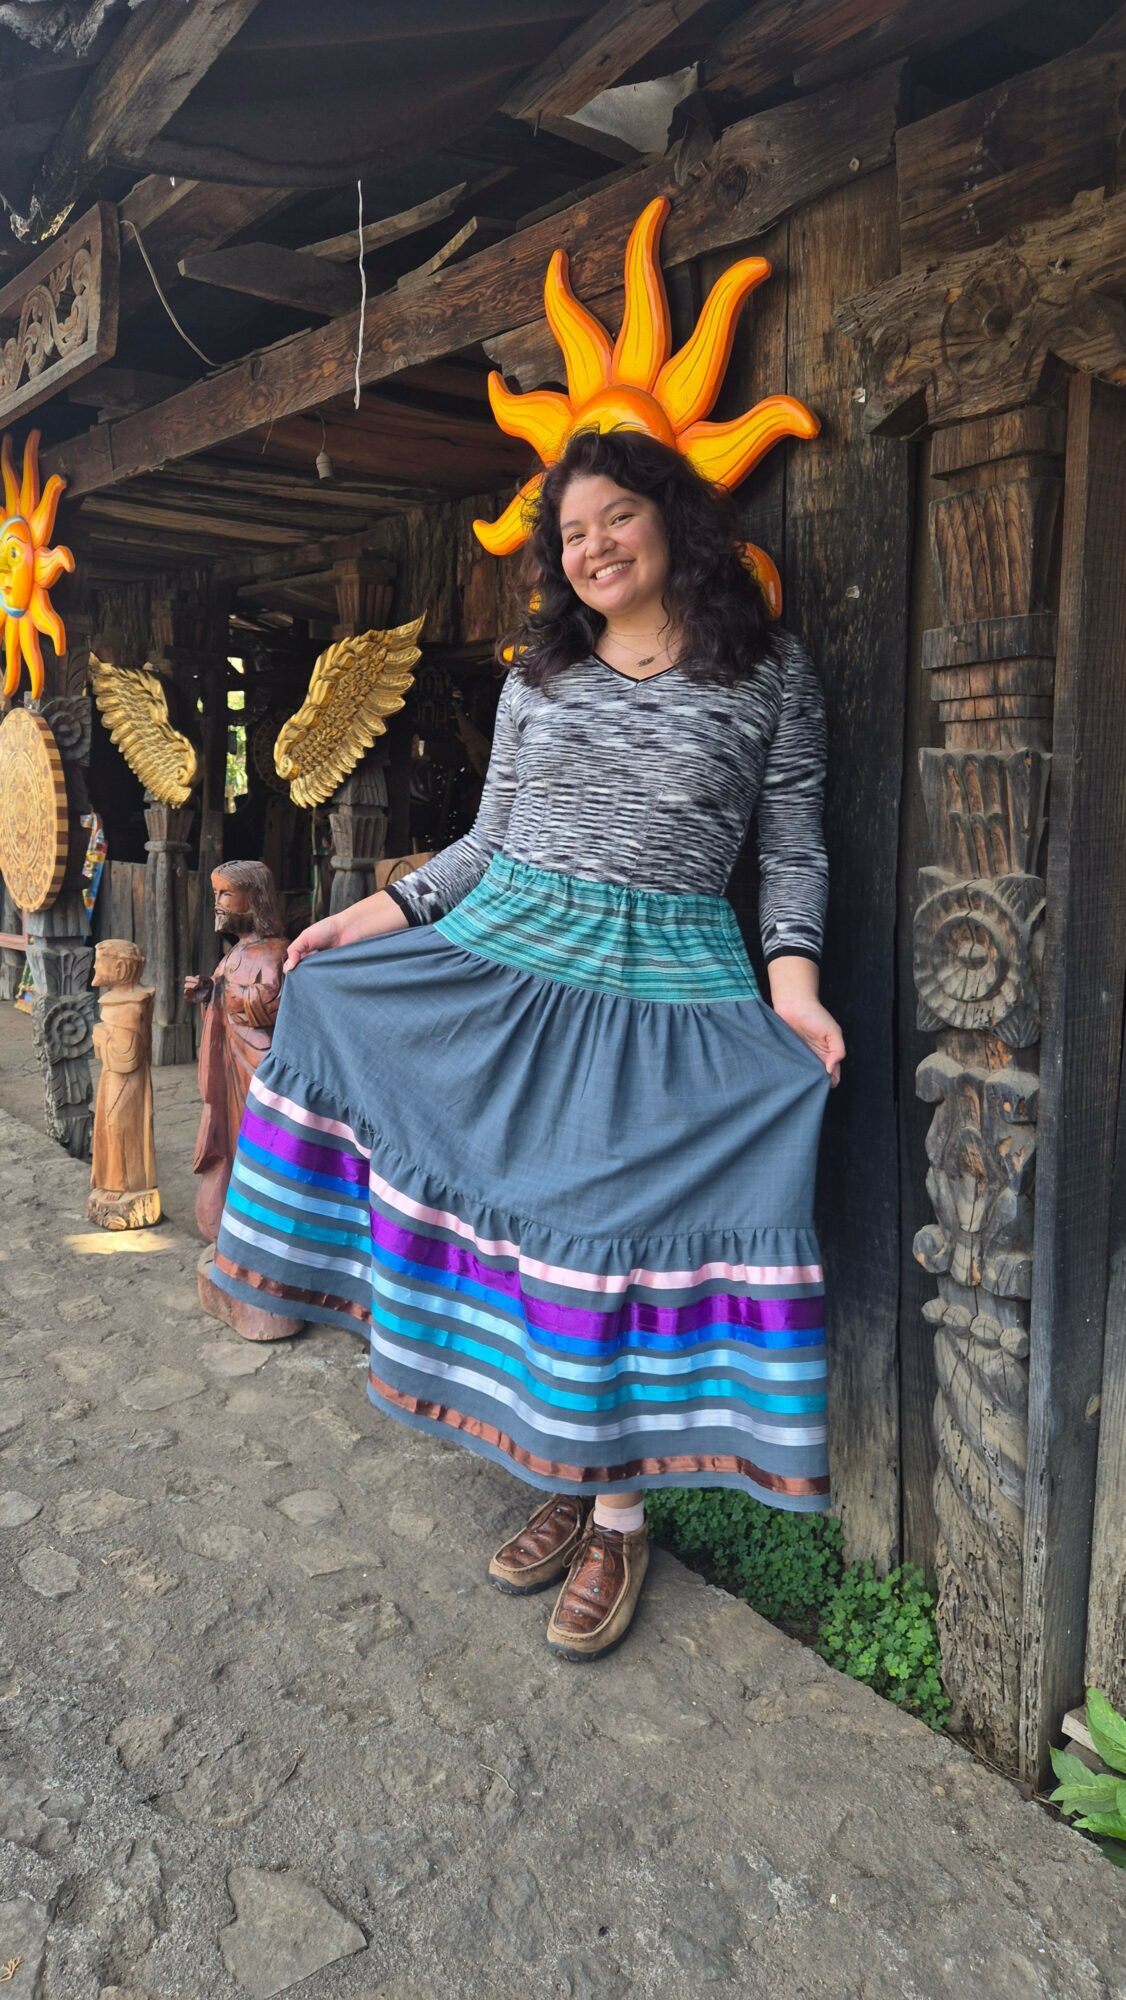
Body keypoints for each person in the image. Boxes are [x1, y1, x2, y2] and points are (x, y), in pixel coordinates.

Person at [211, 427, 846, 1662]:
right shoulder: (540, 672)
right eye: (572, 533)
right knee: (517, 1216)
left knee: (602, 1236)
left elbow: (795, 851)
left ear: (669, 520)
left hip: (666, 981)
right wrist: (368, 913)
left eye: (615, 516)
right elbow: (484, 848)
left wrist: (796, 989)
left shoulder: (769, 671)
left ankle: (615, 1516)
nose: (595, 545)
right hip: (507, 960)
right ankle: (565, 1470)